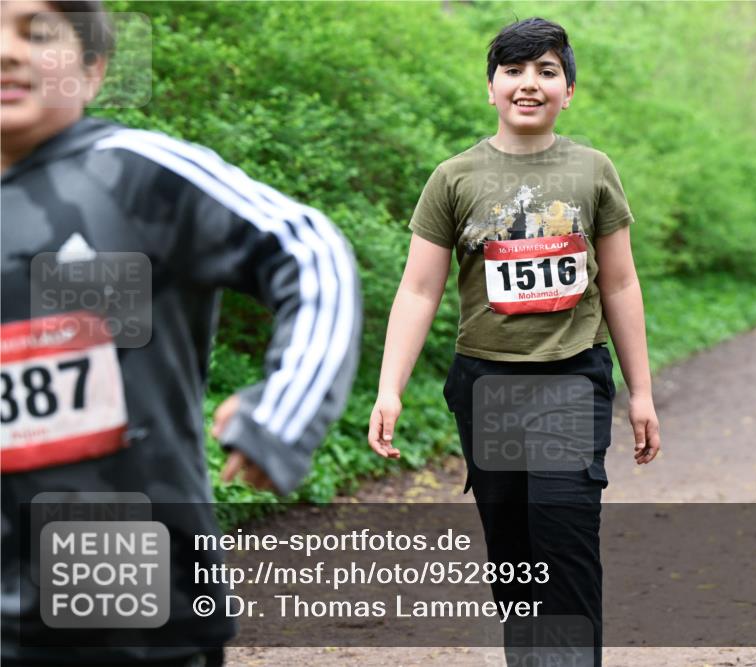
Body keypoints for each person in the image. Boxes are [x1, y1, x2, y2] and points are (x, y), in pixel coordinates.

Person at [1, 1, 361, 664]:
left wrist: (286, 410)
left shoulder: (136, 174)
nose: (7, 51)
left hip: (132, 609)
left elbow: (309, 251)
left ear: (92, 69)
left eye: (38, 32)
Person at [368, 17, 660, 666]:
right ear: (491, 86)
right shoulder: (454, 177)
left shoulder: (593, 170)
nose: (530, 83)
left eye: (547, 70)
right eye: (515, 70)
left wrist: (641, 392)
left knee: (566, 540)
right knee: (515, 560)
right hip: (487, 388)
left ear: (569, 89)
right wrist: (389, 387)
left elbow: (618, 283)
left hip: (571, 381)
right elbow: (419, 289)